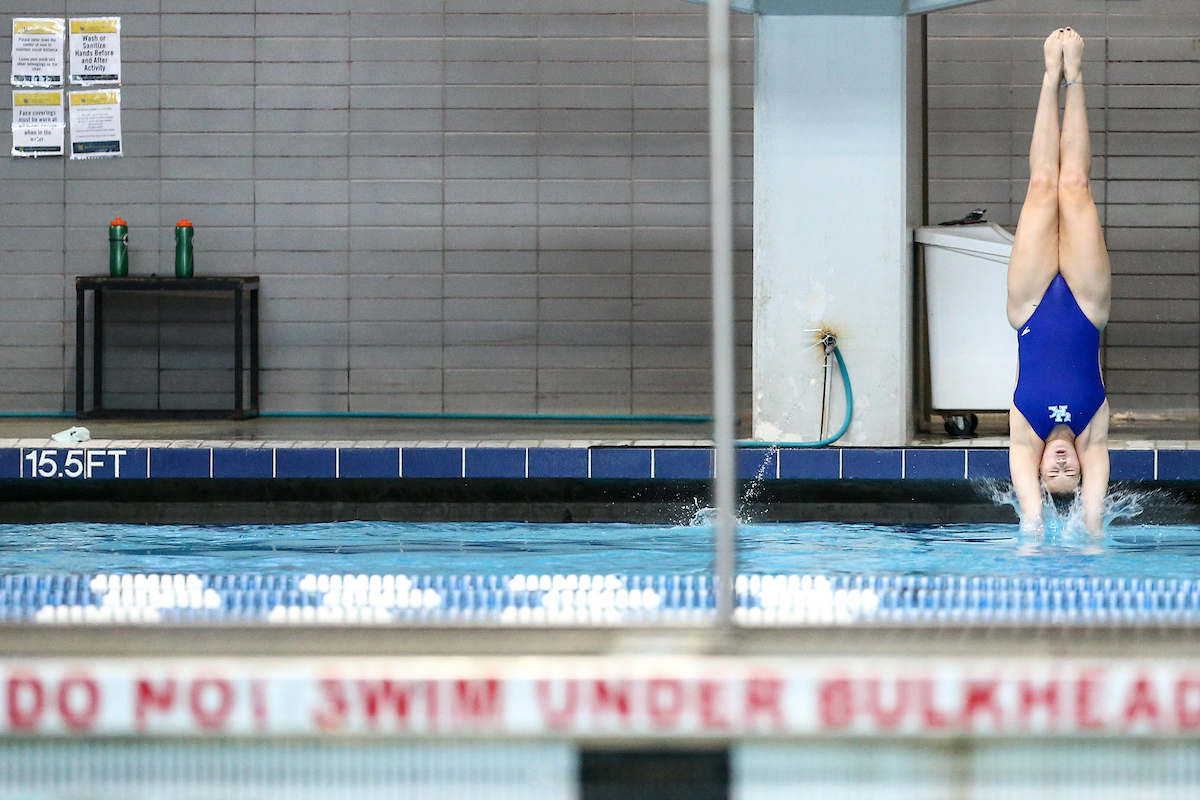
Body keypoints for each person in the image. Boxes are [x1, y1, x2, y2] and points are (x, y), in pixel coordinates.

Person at [1007, 28, 1110, 538]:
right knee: (1076, 187)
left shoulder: (1026, 435)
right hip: (1088, 306)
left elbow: (1031, 514)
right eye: (1073, 472)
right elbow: (1093, 515)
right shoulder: (1093, 434)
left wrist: (1036, 526)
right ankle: (1078, 77)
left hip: (1029, 308)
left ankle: (1050, 78)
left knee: (1042, 185)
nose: (1064, 465)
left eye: (1055, 472)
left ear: (1041, 465)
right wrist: (1091, 530)